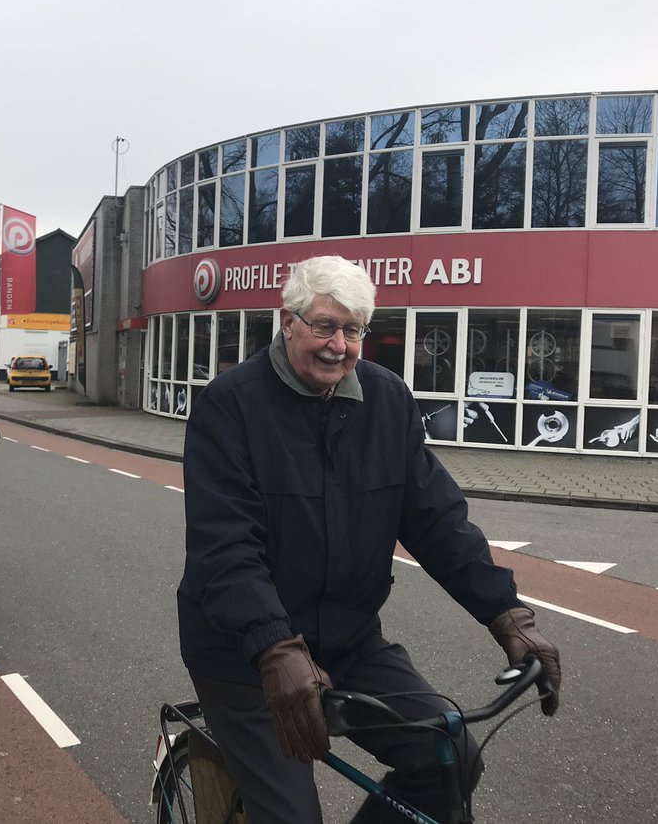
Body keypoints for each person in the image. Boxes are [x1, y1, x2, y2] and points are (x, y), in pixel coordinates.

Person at [178, 256, 562, 824]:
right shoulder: (230, 406)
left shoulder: (387, 401)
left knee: (450, 757)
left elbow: (437, 520)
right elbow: (226, 547)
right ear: (287, 322)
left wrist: (508, 616)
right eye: (325, 326)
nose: (340, 345)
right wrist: (274, 647)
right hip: (244, 656)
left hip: (348, 642)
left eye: (353, 329)